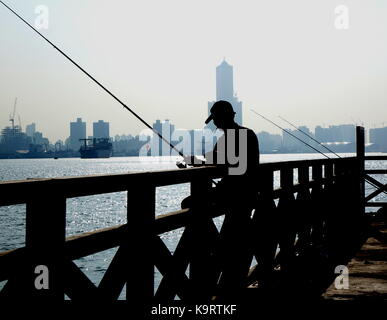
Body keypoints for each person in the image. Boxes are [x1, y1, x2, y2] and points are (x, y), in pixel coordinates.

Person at [178, 100, 260, 300]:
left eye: (215, 119)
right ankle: (228, 276)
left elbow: (216, 161)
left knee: (189, 205)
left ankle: (216, 278)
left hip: (234, 193)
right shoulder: (246, 134)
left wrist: (191, 161)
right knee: (237, 236)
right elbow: (217, 160)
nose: (214, 124)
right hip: (247, 193)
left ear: (223, 117)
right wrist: (195, 161)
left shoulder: (231, 137)